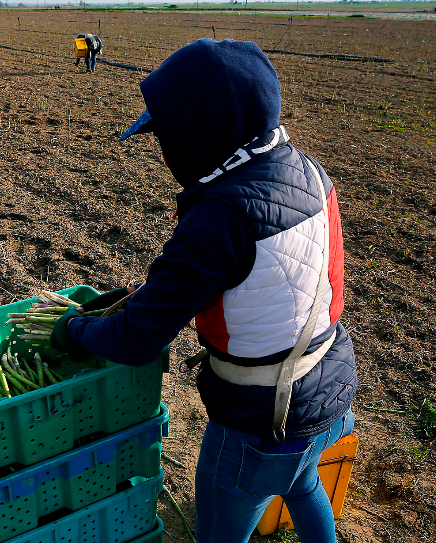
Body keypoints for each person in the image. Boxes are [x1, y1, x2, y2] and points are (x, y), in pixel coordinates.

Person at [50, 39, 356, 543]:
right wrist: (156, 291)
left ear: (203, 130)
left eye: (166, 136)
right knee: (303, 484)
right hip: (329, 390)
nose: (164, 150)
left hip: (261, 422)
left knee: (219, 531)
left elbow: (135, 340)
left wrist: (72, 331)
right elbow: (265, 275)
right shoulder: (303, 168)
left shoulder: (219, 218)